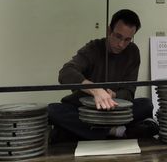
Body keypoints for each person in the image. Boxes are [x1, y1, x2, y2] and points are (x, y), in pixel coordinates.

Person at [48, 9, 159, 142]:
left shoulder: (133, 52)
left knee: (146, 104)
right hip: (86, 110)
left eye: (127, 39)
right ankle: (115, 131)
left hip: (115, 109)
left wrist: (114, 95)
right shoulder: (93, 48)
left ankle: (92, 131)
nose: (121, 44)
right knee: (52, 110)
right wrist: (95, 90)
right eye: (118, 36)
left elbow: (129, 92)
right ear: (109, 30)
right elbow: (65, 72)